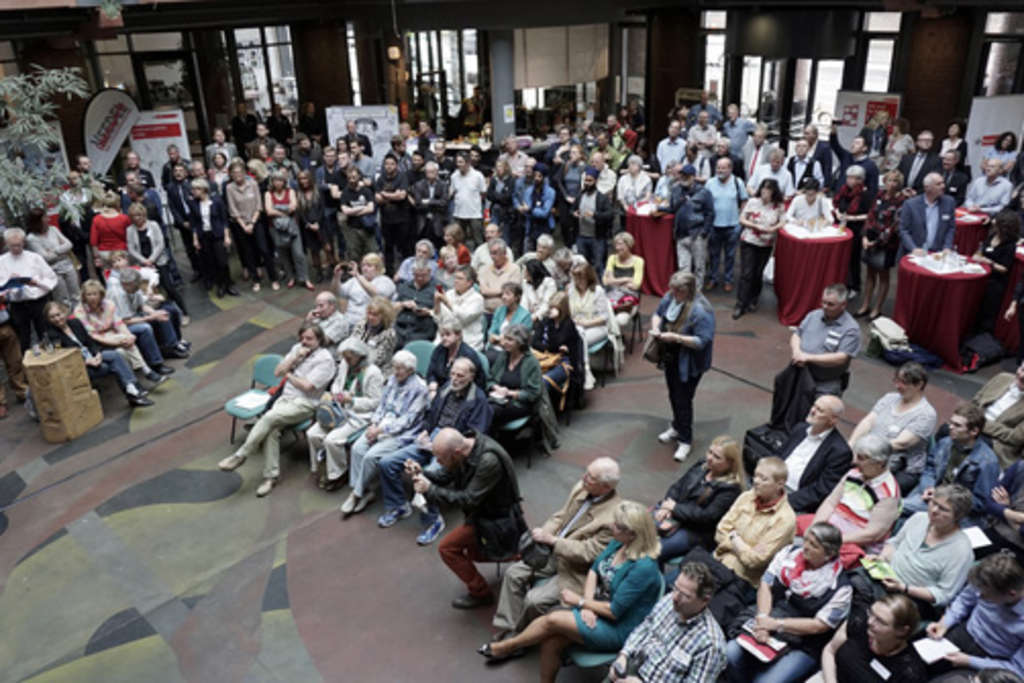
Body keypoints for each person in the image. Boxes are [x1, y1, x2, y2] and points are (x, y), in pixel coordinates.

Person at [480, 501, 662, 682]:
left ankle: (507, 646)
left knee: (553, 620)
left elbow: (615, 611)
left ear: (632, 534)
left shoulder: (643, 568)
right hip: (599, 607)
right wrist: (587, 606)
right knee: (551, 642)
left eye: (617, 526)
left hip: (619, 628)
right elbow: (594, 570)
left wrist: (580, 602)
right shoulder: (619, 543)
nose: (611, 526)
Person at [490, 457, 621, 638]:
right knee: (513, 574)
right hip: (553, 552)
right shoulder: (583, 488)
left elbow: (589, 553)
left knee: (534, 600)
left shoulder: (613, 517)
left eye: (590, 477)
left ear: (606, 487)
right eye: (587, 472)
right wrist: (544, 533)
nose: (583, 478)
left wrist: (553, 541)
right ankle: (509, 626)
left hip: (575, 568)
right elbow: (561, 516)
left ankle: (521, 636)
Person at [375, 357, 492, 532]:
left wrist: (444, 444)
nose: (455, 379)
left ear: (471, 377)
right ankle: (399, 504)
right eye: (452, 373)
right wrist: (425, 431)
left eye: (460, 375)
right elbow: (431, 415)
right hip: (431, 438)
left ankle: (433, 521)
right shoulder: (446, 388)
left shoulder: (479, 401)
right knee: (386, 463)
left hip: (452, 444)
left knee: (427, 476)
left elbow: (474, 437)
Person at [723, 522, 851, 683]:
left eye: (814, 546)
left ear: (829, 554)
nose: (805, 547)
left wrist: (776, 625)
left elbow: (820, 625)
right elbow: (766, 585)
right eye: (806, 541)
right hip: (768, 615)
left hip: (803, 642)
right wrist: (763, 619)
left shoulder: (840, 588)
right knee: (731, 652)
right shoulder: (789, 553)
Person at [217, 322, 334, 496]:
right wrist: (294, 359)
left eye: (309, 338)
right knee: (271, 431)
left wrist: (289, 374)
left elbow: (307, 386)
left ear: (319, 339)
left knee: (269, 418)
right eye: (302, 337)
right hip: (284, 400)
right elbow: (277, 372)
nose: (304, 341)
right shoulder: (297, 349)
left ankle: (241, 455)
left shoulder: (325, 360)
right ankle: (271, 477)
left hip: (305, 404)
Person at [409, 427, 522, 607]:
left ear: (456, 452)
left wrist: (429, 490)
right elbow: (444, 475)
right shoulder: (465, 450)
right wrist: (422, 472)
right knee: (474, 553)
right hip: (482, 513)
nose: (438, 462)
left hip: (495, 517)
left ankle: (481, 592)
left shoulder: (488, 460)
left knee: (447, 549)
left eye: (441, 458)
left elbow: (468, 499)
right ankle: (519, 553)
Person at [687, 457, 796, 625]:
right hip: (717, 563)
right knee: (679, 592)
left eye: (763, 479)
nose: (756, 482)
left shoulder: (785, 520)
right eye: (756, 476)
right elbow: (720, 530)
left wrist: (733, 537)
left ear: (780, 484)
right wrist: (739, 543)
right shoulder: (747, 497)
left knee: (706, 620)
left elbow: (754, 561)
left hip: (743, 581)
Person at [854, 484, 973, 627]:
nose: (934, 510)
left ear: (957, 516)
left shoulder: (961, 551)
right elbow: (895, 543)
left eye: (943, 509)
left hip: (912, 597)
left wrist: (903, 587)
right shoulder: (919, 518)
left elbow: (943, 595)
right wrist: (882, 558)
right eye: (933, 503)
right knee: (851, 581)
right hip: (886, 576)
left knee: (873, 612)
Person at [340, 350, 428, 517]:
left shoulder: (420, 389)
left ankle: (355, 494)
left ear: (410, 370)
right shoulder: (393, 380)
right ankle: (365, 492)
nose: (395, 372)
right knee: (357, 448)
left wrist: (380, 430)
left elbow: (407, 421)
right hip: (381, 425)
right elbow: (382, 406)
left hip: (403, 434)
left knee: (370, 456)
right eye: (394, 367)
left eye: (400, 369)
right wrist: (374, 424)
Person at [924, 551, 1024, 680]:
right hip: (965, 631)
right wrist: (945, 623)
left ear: (1011, 594)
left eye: (986, 595)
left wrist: (970, 661)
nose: (979, 595)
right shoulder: (986, 582)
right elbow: (964, 600)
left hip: (991, 660)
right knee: (917, 664)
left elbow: (1018, 669)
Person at [807, 434, 901, 568]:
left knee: (816, 555)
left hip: (852, 542)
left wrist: (831, 539)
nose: (855, 461)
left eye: (861, 458)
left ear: (879, 463)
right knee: (790, 526)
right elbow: (830, 502)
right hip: (828, 529)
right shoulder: (854, 473)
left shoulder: (888, 494)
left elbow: (871, 534)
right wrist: (816, 527)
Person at [305, 336, 384, 491]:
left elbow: (375, 402)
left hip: (359, 415)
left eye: (349, 357)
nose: (346, 360)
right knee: (312, 433)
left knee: (332, 440)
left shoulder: (373, 373)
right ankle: (322, 466)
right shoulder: (344, 365)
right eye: (345, 357)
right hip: (339, 409)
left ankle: (338, 474)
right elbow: (337, 383)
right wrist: (336, 393)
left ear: (359, 355)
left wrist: (352, 400)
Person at [651, 271, 715, 462]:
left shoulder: (701, 310)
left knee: (683, 399)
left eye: (678, 291)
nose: (673, 294)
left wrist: (677, 337)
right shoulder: (671, 297)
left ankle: (685, 440)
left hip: (690, 362)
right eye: (672, 290)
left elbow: (702, 340)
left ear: (688, 291)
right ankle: (677, 426)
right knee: (673, 394)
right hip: (671, 355)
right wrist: (656, 328)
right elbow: (658, 313)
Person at [903, 403, 999, 526]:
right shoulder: (945, 443)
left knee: (900, 508)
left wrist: (944, 497)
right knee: (896, 508)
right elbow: (930, 468)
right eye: (951, 422)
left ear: (974, 431)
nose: (950, 427)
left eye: (957, 425)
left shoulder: (987, 462)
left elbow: (981, 502)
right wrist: (928, 487)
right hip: (933, 493)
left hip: (956, 510)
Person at [654, 435, 745, 564]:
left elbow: (706, 516)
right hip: (675, 512)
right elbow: (678, 486)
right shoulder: (702, 465)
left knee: (654, 551)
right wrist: (666, 506)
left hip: (695, 531)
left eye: (717, 457)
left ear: (730, 463)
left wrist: (674, 508)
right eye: (710, 452)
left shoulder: (731, 489)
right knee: (636, 530)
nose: (710, 458)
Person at [848, 361, 937, 493]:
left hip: (899, 467)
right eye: (897, 381)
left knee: (870, 492)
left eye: (904, 383)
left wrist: (865, 453)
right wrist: (852, 444)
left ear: (919, 384)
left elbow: (901, 443)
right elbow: (868, 422)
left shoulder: (926, 414)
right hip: (868, 455)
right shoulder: (889, 398)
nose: (898, 386)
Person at [43, 301, 152, 407]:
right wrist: (86, 361)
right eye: (52, 317)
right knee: (110, 364)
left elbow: (90, 342)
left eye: (58, 314)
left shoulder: (75, 323)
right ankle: (133, 391)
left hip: (92, 355)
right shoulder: (51, 334)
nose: (57, 319)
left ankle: (132, 389)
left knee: (116, 355)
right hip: (79, 364)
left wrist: (97, 354)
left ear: (64, 312)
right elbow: (64, 356)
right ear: (48, 319)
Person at [776, 283, 860, 412]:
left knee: (817, 419)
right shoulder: (813, 315)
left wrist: (808, 357)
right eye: (823, 302)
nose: (825, 307)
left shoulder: (850, 329)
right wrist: (797, 352)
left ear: (843, 305)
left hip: (824, 385)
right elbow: (797, 334)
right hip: (799, 376)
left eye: (831, 304)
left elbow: (841, 357)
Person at [73, 279, 172, 383]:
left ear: (100, 294)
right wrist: (118, 342)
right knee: (123, 345)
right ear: (84, 296)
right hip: (96, 342)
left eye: (95, 294)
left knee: (125, 345)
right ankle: (145, 371)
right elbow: (92, 334)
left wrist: (129, 336)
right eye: (89, 294)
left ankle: (140, 375)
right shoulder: (80, 311)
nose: (92, 297)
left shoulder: (108, 304)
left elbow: (119, 323)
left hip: (113, 334)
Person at [821, 593, 927, 683]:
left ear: (902, 631)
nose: (870, 622)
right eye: (871, 613)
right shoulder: (860, 620)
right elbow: (830, 650)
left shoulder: (910, 672)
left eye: (880, 621)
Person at [776, 395, 853, 514]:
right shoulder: (800, 429)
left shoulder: (840, 451)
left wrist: (783, 501)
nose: (812, 411)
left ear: (833, 420)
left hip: (794, 498)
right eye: (814, 406)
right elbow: (778, 456)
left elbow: (821, 491)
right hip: (773, 484)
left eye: (820, 410)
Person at [106, 267, 189, 360]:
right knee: (145, 327)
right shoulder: (118, 294)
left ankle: (173, 345)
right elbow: (126, 321)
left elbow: (141, 305)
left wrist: (155, 313)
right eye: (134, 287)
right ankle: (156, 362)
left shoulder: (133, 286)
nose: (137, 289)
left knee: (167, 311)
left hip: (134, 315)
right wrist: (151, 317)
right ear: (126, 285)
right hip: (121, 325)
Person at [1, 227, 59, 352]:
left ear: (24, 242)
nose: (16, 248)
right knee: (23, 338)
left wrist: (37, 283)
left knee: (46, 333)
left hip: (38, 301)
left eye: (19, 245)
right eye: (12, 246)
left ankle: (52, 357)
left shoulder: (34, 258)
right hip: (17, 304)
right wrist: (9, 283)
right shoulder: (2, 261)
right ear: (6, 244)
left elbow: (52, 279)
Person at [858, 170, 906, 319]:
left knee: (883, 276)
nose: (890, 184)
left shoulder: (901, 201)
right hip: (870, 238)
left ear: (899, 184)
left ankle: (877, 308)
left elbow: (894, 226)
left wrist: (876, 242)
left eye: (894, 181)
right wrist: (865, 236)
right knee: (870, 274)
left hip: (886, 244)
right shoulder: (880, 195)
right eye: (889, 180)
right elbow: (871, 215)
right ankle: (865, 305)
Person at [734, 178, 784, 319]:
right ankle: (740, 303)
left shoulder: (778, 206)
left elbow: (783, 221)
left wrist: (773, 228)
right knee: (746, 273)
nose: (764, 192)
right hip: (750, 239)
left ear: (773, 192)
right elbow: (742, 218)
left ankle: (753, 299)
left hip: (766, 243)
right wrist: (755, 226)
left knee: (758, 273)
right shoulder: (753, 202)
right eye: (763, 188)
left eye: (768, 189)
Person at [531, 292, 583, 411]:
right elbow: (534, 342)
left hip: (564, 363)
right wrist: (549, 347)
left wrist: (548, 345)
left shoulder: (568, 324)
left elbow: (557, 342)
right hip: (545, 358)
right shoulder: (546, 321)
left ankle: (544, 415)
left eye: (555, 308)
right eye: (551, 307)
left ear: (562, 309)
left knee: (543, 382)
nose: (551, 310)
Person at [188, 178, 239, 297]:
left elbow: (224, 220)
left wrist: (227, 236)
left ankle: (229, 285)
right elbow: (194, 223)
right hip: (204, 236)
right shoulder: (193, 204)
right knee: (212, 262)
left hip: (218, 235)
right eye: (193, 189)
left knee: (223, 261)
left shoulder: (217, 201)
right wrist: (195, 239)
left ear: (204, 189)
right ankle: (221, 285)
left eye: (196, 189)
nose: (193, 191)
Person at [704, 157, 748, 292]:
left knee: (730, 256)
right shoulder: (710, 183)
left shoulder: (737, 182)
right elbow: (704, 201)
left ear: (730, 169)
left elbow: (744, 200)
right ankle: (713, 278)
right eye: (718, 167)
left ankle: (728, 280)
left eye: (723, 168)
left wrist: (741, 219)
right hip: (714, 225)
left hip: (732, 225)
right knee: (713, 255)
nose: (720, 170)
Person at [970, 361, 1024, 468]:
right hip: (972, 425)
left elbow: (1016, 437)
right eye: (1022, 370)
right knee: (945, 431)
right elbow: (975, 402)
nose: (1022, 376)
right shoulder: (1002, 378)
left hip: (997, 443)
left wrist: (981, 423)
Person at [973, 210, 1019, 334]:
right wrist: (977, 255)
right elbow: (981, 250)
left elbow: (1004, 268)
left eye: (997, 221)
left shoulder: (1010, 245)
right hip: (981, 276)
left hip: (995, 282)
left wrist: (989, 262)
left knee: (987, 313)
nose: (993, 222)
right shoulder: (992, 235)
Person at [264, 171, 312, 291]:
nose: (278, 183)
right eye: (275, 180)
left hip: (292, 227)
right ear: (272, 182)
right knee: (283, 255)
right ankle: (291, 277)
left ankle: (304, 278)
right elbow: (269, 211)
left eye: (280, 180)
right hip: (275, 229)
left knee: (299, 254)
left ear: (284, 181)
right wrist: (285, 211)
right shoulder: (268, 194)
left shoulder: (290, 192)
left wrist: (277, 210)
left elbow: (293, 207)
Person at [487, 324, 542, 426]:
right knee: (476, 405)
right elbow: (490, 379)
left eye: (510, 340)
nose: (504, 343)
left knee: (490, 411)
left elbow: (533, 394)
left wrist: (509, 393)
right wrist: (496, 387)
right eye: (505, 339)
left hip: (520, 403)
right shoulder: (504, 355)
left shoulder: (531, 362)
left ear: (520, 343)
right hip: (498, 397)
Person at [569, 262, 612, 391]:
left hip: (597, 327)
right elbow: (569, 312)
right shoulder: (571, 290)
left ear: (588, 277)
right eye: (575, 277)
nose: (578, 281)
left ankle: (584, 371)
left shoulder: (597, 291)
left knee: (579, 339)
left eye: (580, 277)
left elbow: (604, 318)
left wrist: (586, 323)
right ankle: (577, 371)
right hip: (578, 327)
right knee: (577, 335)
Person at [669, 164, 714, 288]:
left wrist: (704, 232)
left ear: (693, 177)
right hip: (680, 234)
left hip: (697, 234)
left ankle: (697, 293)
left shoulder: (704, 192)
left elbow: (710, 213)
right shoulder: (675, 189)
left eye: (687, 175)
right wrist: (658, 209)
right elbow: (672, 208)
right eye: (682, 174)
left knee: (699, 266)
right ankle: (685, 292)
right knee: (683, 267)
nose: (683, 177)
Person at [23, 209, 77, 309]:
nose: (48, 219)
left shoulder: (53, 229)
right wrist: (61, 249)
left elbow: (69, 244)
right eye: (45, 217)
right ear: (37, 221)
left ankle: (80, 318)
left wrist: (54, 250)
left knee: (76, 294)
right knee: (62, 299)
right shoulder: (31, 238)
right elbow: (45, 258)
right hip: (53, 271)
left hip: (68, 265)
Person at [898, 172, 956, 258]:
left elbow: (950, 228)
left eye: (943, 183)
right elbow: (903, 230)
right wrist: (913, 248)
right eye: (938, 184)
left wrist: (947, 247)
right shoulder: (910, 205)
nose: (943, 186)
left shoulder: (949, 202)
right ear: (927, 188)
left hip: (937, 254)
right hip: (914, 254)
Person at [334, 253, 396, 331]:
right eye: (363, 265)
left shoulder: (385, 281)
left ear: (378, 268)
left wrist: (357, 275)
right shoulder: (354, 280)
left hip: (371, 325)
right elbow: (338, 292)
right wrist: (337, 277)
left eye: (369, 266)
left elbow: (378, 295)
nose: (365, 268)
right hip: (348, 321)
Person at [374, 154, 412, 275]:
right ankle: (389, 273)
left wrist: (385, 195)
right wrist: (393, 195)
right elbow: (378, 198)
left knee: (405, 247)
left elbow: (402, 196)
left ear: (396, 165)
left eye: (392, 164)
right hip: (386, 220)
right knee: (388, 248)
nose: (389, 166)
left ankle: (407, 273)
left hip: (402, 219)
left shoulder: (402, 177)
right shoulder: (381, 179)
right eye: (387, 164)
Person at [434, 264, 485, 351]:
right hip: (444, 339)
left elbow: (463, 317)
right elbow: (438, 319)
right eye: (455, 278)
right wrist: (437, 303)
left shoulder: (477, 299)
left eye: (460, 279)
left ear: (470, 282)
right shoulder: (449, 294)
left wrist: (446, 302)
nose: (456, 281)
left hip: (467, 341)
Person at [426, 320, 485, 396]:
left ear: (458, 335)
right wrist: (432, 383)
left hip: (462, 393)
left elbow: (470, 384)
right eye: (442, 335)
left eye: (447, 335)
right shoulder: (439, 349)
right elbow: (431, 372)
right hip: (439, 390)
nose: (444, 338)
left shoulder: (469, 355)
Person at [296, 169, 333, 283]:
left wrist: (317, 222)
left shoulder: (318, 191)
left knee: (328, 248)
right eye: (301, 179)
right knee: (314, 251)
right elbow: (300, 213)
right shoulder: (298, 194)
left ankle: (331, 269)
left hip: (322, 224)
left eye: (305, 178)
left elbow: (322, 208)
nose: (304, 181)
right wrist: (308, 224)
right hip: (308, 228)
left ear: (310, 179)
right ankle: (319, 273)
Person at [392, 258, 439, 347]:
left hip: (422, 331)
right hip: (400, 328)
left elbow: (443, 313)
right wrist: (403, 304)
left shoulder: (438, 288)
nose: (420, 278)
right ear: (412, 273)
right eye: (416, 275)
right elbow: (393, 307)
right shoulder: (405, 286)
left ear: (429, 272)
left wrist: (428, 312)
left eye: (423, 275)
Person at [603, 233, 644, 330]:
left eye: (621, 244)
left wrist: (614, 281)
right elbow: (606, 281)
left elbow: (636, 286)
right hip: (611, 293)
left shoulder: (638, 261)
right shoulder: (612, 258)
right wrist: (627, 279)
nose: (617, 247)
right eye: (616, 244)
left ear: (629, 245)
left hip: (629, 297)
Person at [348, 295, 398, 374]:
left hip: (377, 371)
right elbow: (351, 344)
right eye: (369, 313)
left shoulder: (389, 334)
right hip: (355, 364)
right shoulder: (361, 324)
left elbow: (378, 359)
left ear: (384, 316)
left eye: (375, 315)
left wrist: (356, 360)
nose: (370, 317)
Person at [829, 125, 880, 199]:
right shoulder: (846, 156)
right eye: (853, 142)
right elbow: (835, 145)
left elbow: (872, 189)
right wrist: (833, 132)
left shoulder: (871, 166)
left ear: (864, 148)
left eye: (857, 143)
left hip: (855, 203)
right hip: (838, 198)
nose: (853, 145)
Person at [410, 160, 450, 248]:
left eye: (432, 171)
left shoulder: (444, 185)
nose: (430, 174)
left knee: (439, 247)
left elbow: (444, 203)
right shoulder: (418, 185)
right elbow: (418, 204)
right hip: (423, 220)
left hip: (438, 220)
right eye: (428, 172)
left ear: (437, 172)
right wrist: (436, 202)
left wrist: (428, 201)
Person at [450, 153, 487, 248]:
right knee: (459, 241)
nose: (458, 164)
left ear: (467, 163)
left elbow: (483, 193)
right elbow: (453, 192)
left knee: (478, 240)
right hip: (458, 214)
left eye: (461, 162)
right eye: (457, 162)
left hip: (474, 214)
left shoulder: (478, 175)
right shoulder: (454, 176)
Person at [553, 145, 586, 248]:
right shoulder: (566, 165)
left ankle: (576, 245)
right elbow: (558, 180)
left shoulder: (584, 167)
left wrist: (576, 198)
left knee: (576, 223)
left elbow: (585, 185)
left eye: (575, 152)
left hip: (578, 199)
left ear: (581, 155)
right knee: (564, 223)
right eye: (571, 152)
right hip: (566, 198)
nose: (572, 155)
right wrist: (566, 195)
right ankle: (567, 245)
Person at [90, 191, 132, 270]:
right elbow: (129, 237)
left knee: (109, 277)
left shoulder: (97, 219)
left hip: (104, 253)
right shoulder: (124, 218)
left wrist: (96, 257)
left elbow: (93, 241)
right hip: (122, 251)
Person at [477, 238, 521, 315]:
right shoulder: (484, 269)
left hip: (506, 313)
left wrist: (489, 292)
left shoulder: (514, 269)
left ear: (504, 253)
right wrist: (501, 291)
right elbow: (483, 291)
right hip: (485, 312)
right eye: (490, 253)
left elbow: (512, 292)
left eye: (495, 253)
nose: (492, 256)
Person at [486, 282, 532, 354]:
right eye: (503, 294)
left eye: (507, 294)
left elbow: (522, 339)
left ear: (517, 297)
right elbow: (492, 331)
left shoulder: (525, 315)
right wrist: (493, 337)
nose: (503, 297)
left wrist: (502, 340)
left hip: (514, 351)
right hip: (495, 347)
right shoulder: (499, 310)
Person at [897, 130, 941, 194]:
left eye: (929, 140)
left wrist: (917, 192)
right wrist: (901, 190)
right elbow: (898, 175)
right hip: (902, 193)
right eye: (924, 140)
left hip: (922, 195)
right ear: (917, 142)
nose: (926, 142)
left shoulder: (936, 160)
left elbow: (934, 182)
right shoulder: (906, 158)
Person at [486, 160, 516, 249]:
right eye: (497, 167)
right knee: (492, 232)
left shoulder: (511, 180)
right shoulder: (494, 179)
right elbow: (488, 195)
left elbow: (507, 197)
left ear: (506, 168)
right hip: (494, 210)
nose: (498, 169)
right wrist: (499, 196)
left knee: (505, 236)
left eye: (501, 166)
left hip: (506, 212)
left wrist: (495, 195)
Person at [521, 258, 557, 324]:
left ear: (532, 271)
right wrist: (524, 316)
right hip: (530, 315)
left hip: (545, 315)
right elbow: (524, 302)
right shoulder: (525, 283)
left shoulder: (549, 282)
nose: (524, 273)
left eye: (526, 271)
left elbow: (547, 304)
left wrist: (536, 316)